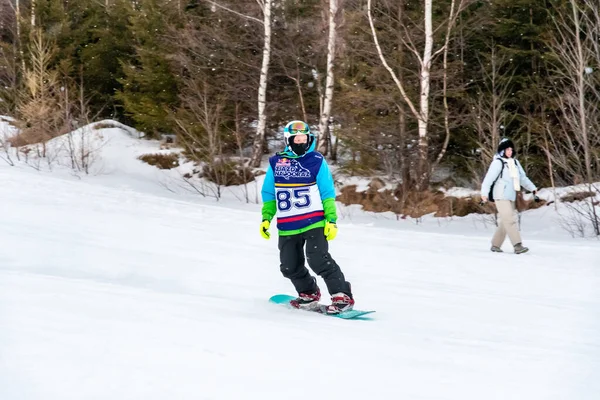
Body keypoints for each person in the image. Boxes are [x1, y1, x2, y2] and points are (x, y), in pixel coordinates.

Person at [259, 120, 354, 314]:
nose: (302, 142)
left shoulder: (316, 160)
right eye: (297, 138)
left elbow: (327, 192)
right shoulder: (276, 162)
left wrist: (331, 220)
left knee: (318, 259)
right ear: (288, 139)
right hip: (287, 224)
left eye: (305, 138)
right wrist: (266, 218)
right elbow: (269, 194)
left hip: (314, 221)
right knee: (288, 266)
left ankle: (341, 296)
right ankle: (308, 292)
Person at [481, 138, 539, 254]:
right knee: (510, 220)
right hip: (500, 195)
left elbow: (522, 178)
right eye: (507, 149)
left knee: (505, 221)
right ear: (502, 150)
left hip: (511, 196)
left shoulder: (515, 163)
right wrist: (484, 194)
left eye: (511, 149)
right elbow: (488, 179)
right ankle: (517, 245)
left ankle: (495, 244)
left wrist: (532, 188)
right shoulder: (498, 162)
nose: (510, 151)